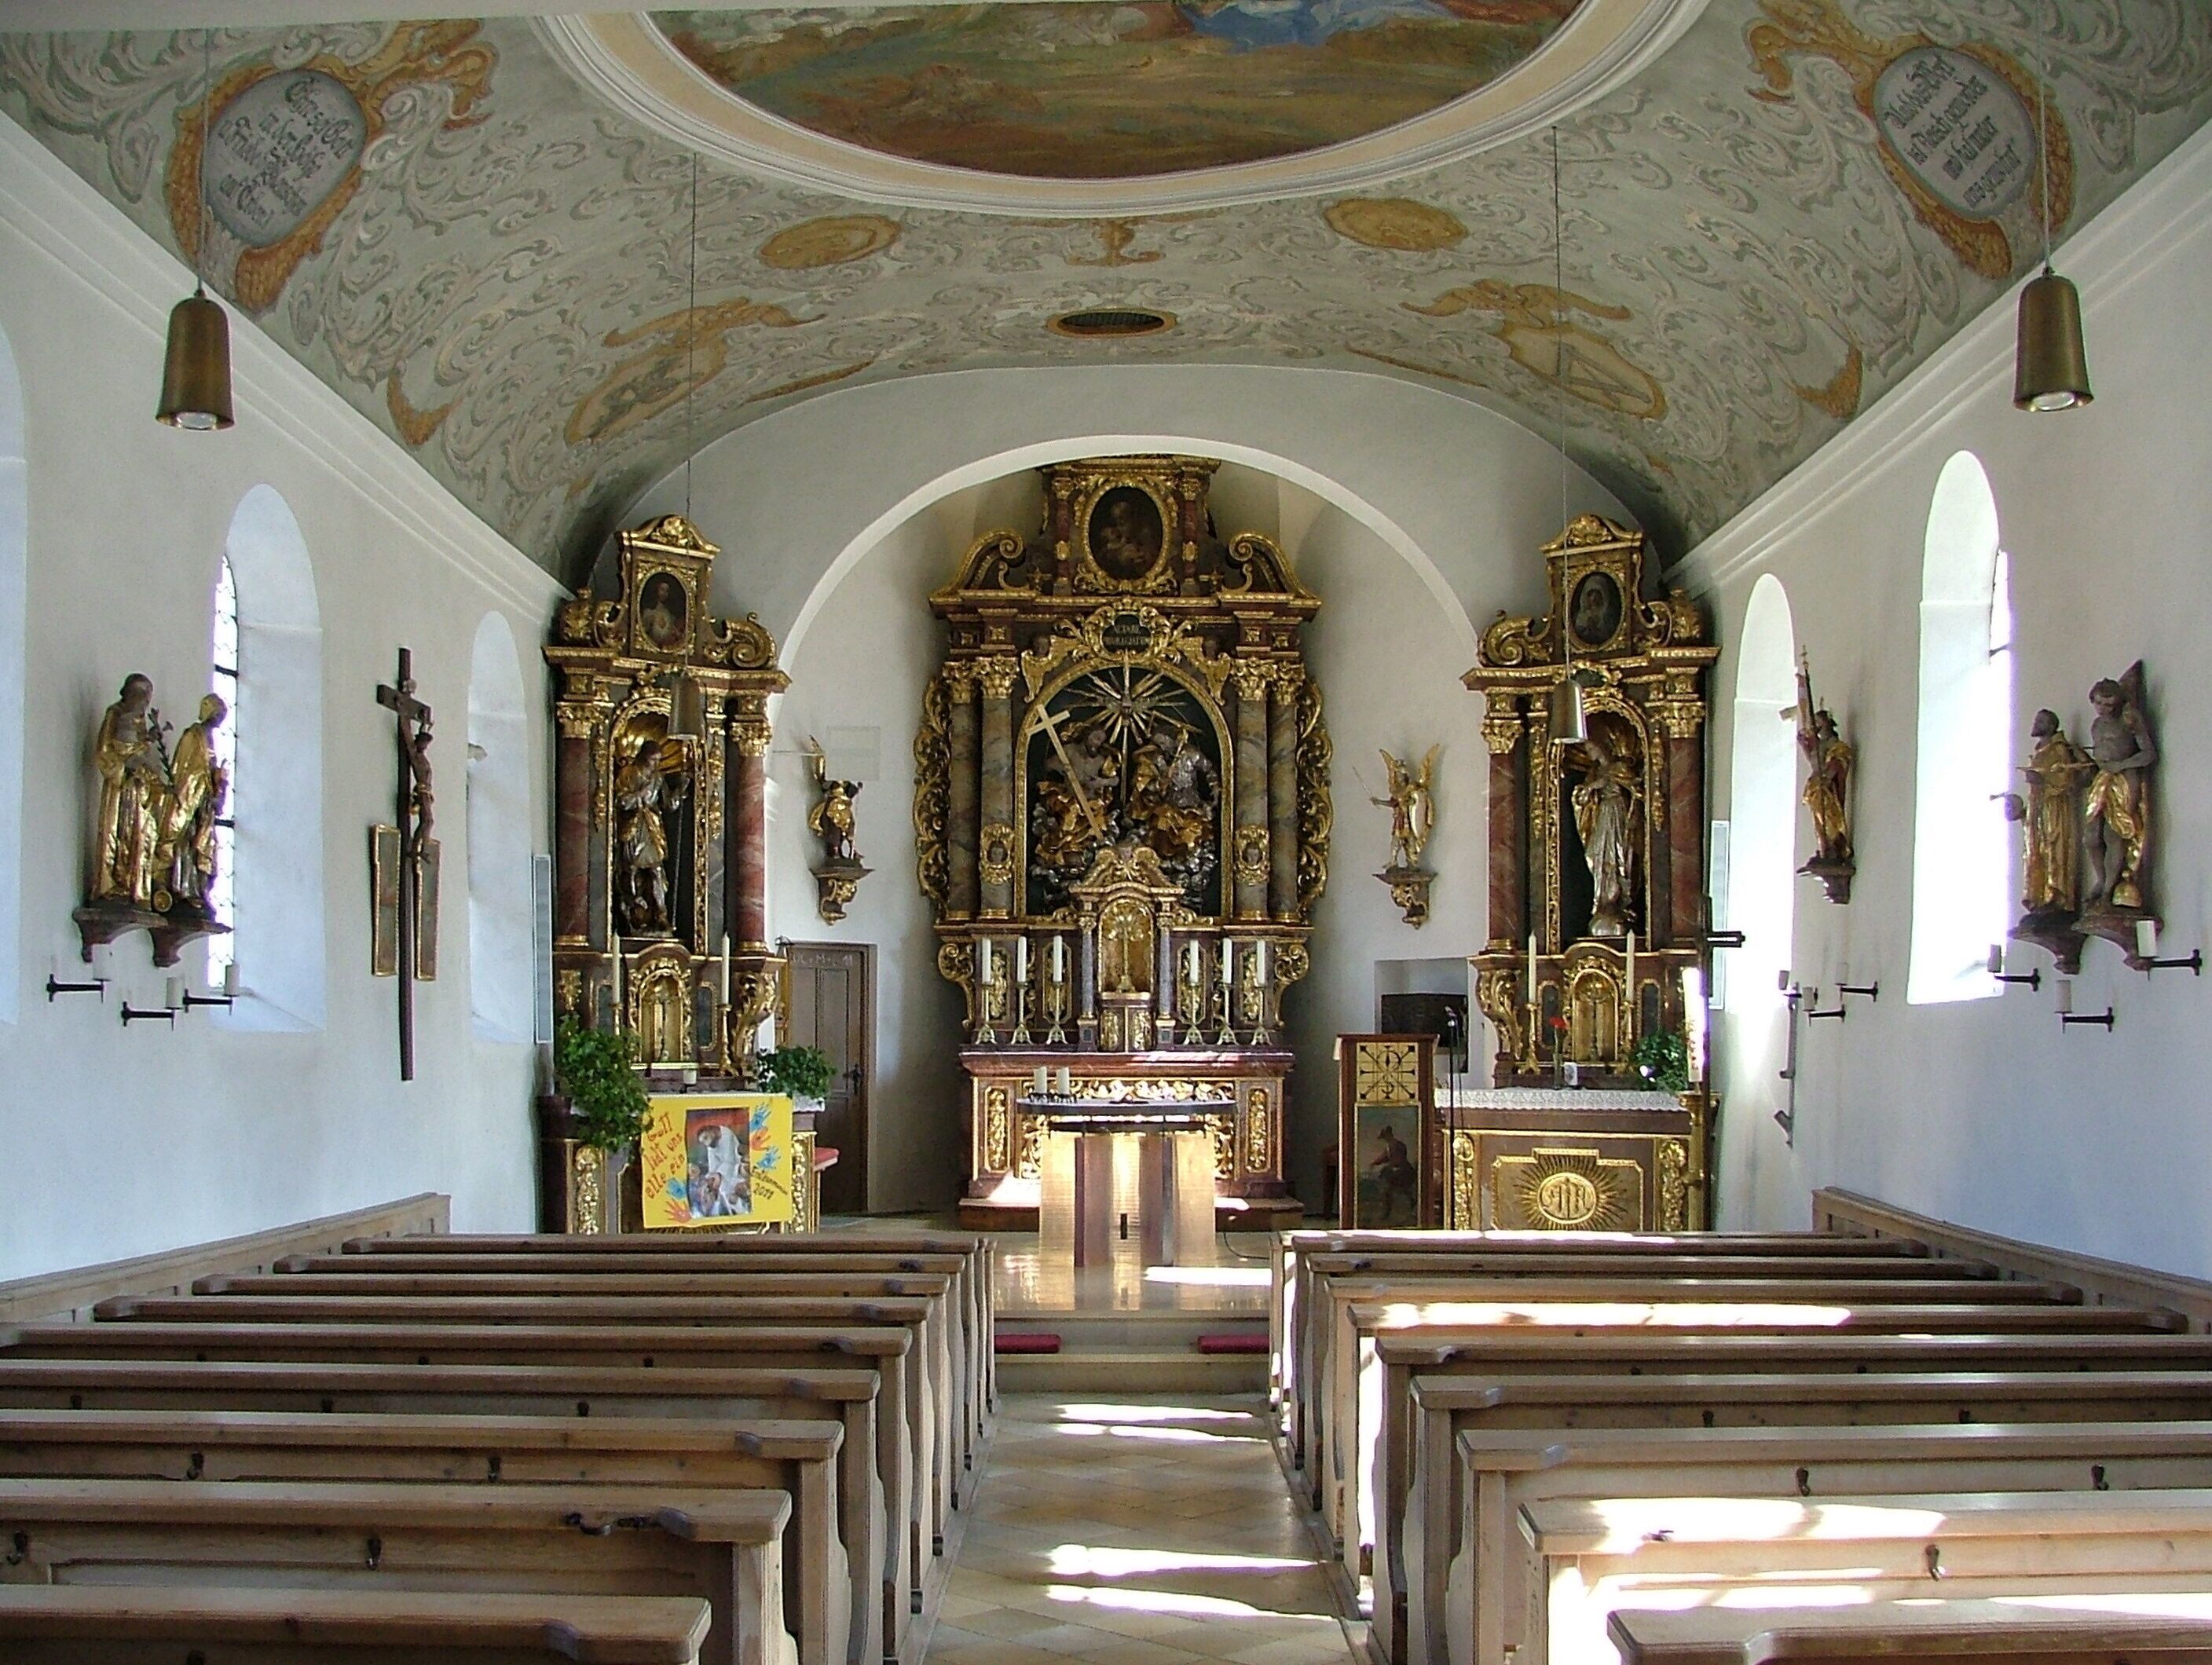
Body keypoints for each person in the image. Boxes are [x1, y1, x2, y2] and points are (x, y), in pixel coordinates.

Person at [91, 674, 170, 908]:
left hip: (138, 790)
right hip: (121, 786)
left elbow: (144, 753)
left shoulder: (139, 721)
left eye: (148, 700)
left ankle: (130, 885)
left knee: (136, 835)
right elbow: (105, 751)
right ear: (132, 694)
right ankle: (112, 885)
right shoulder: (115, 714)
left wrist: (152, 776)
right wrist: (126, 765)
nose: (145, 704)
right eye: (143, 698)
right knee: (118, 833)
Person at [2085, 668, 2155, 913]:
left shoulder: (2129, 719)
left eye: (2109, 704)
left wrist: (2121, 765)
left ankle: (2108, 890)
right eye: (2099, 703)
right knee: (2091, 836)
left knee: (2114, 835)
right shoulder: (2096, 725)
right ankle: (2102, 879)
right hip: (2103, 778)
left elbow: (2149, 754)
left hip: (2124, 779)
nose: (2104, 709)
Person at [160, 693, 229, 912]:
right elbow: (185, 770)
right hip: (190, 801)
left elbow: (208, 769)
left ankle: (199, 890)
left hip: (204, 804)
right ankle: (185, 890)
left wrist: (218, 779)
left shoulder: (210, 738)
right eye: (218, 715)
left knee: (205, 844)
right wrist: (203, 783)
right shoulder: (193, 735)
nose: (219, 721)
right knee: (187, 843)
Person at [1569, 726, 1639, 936]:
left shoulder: (1617, 767)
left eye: (1592, 749)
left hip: (1616, 813)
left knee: (1617, 857)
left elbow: (1635, 788)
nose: (1590, 754)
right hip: (1602, 816)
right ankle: (1601, 903)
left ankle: (1619, 903)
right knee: (1596, 855)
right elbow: (1584, 801)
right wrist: (1582, 795)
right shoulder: (1594, 773)